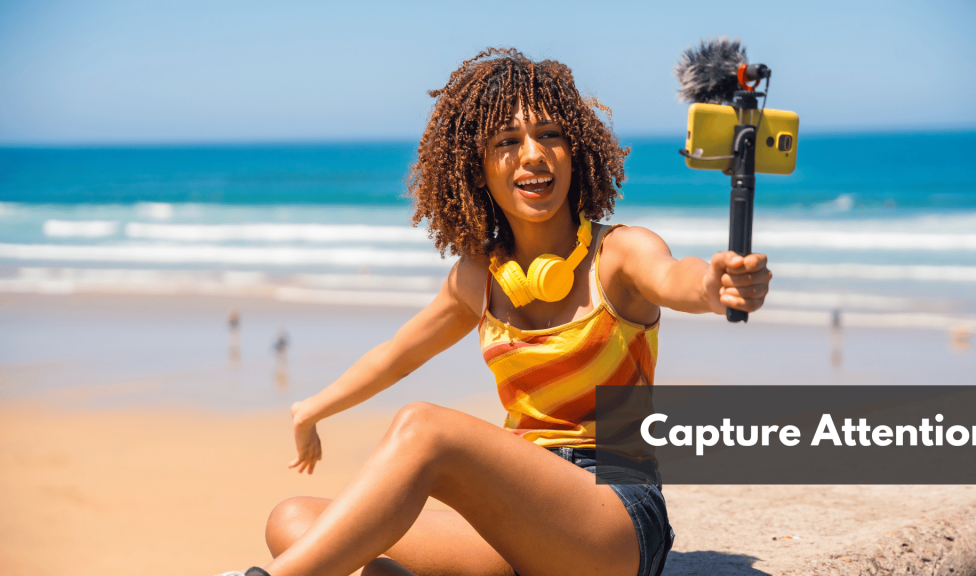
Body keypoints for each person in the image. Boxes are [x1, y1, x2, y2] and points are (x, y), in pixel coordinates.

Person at [220, 47, 772, 576]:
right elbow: (394, 356)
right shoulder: (478, 277)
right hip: (520, 520)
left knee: (425, 428)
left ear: (575, 149)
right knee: (294, 522)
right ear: (476, 167)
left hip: (613, 520)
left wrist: (715, 281)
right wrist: (310, 410)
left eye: (550, 135)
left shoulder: (621, 254)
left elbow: (679, 279)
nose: (533, 154)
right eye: (507, 140)